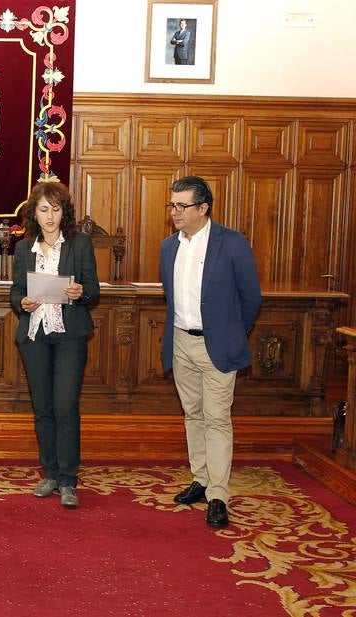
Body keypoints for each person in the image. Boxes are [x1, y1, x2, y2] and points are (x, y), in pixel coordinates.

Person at [160, 176, 261, 528]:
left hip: (217, 345)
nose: (175, 212)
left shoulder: (232, 244)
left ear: (203, 208)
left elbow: (251, 299)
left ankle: (218, 494)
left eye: (182, 206)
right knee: (193, 414)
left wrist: (232, 332)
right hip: (180, 343)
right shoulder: (169, 247)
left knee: (217, 418)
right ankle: (201, 480)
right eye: (172, 205)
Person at [10, 182, 100, 508]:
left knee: (65, 406)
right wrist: (23, 301)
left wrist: (81, 293)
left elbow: (94, 290)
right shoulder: (23, 249)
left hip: (69, 335)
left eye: (56, 209)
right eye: (44, 209)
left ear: (65, 212)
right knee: (43, 408)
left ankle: (68, 480)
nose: (50, 216)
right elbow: (15, 291)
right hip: (35, 335)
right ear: (34, 212)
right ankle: (49, 473)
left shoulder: (79, 245)